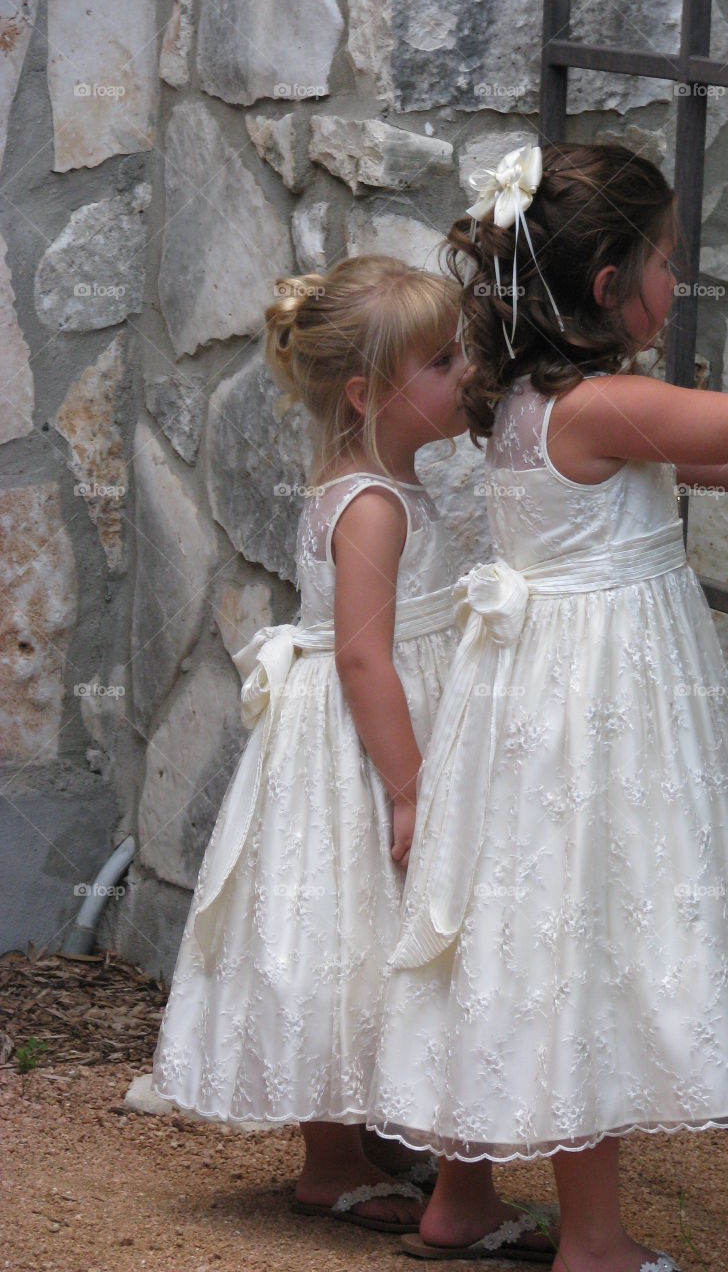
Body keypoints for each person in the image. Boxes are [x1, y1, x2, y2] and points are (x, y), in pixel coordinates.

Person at [366, 144, 728, 1271]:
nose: (678, 279)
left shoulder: (534, 398)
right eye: (667, 260)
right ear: (612, 283)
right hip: (593, 714)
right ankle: (596, 1241)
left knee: (522, 938)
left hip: (534, 707)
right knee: (588, 942)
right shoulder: (605, 399)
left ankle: (460, 1198)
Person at [152, 255, 471, 1234]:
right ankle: (329, 1158)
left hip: (367, 730)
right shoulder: (371, 501)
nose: (468, 371)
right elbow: (366, 661)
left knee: (368, 931)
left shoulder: (377, 478)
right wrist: (411, 788)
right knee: (341, 928)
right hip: (361, 748)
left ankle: (363, 1132)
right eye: (443, 360)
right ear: (369, 393)